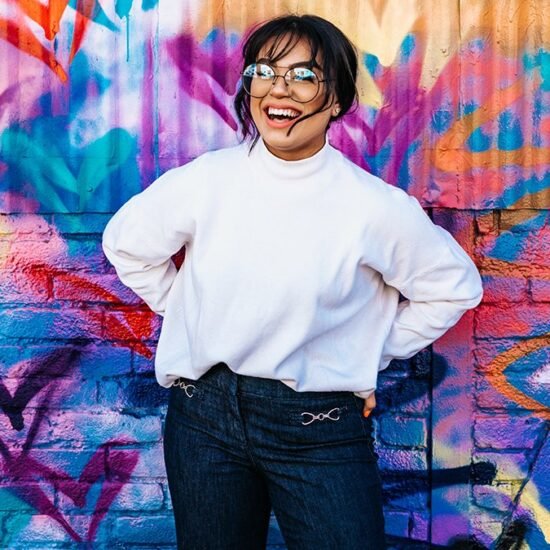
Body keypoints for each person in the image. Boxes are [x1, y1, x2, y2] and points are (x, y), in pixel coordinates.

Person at [102, 13, 483, 550]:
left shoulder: (372, 206)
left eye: (304, 76)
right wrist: (192, 316)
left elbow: (453, 287)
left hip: (318, 426)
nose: (278, 89)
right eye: (265, 71)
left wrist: (367, 354)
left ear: (337, 101)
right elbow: (127, 244)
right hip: (203, 419)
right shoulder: (208, 181)